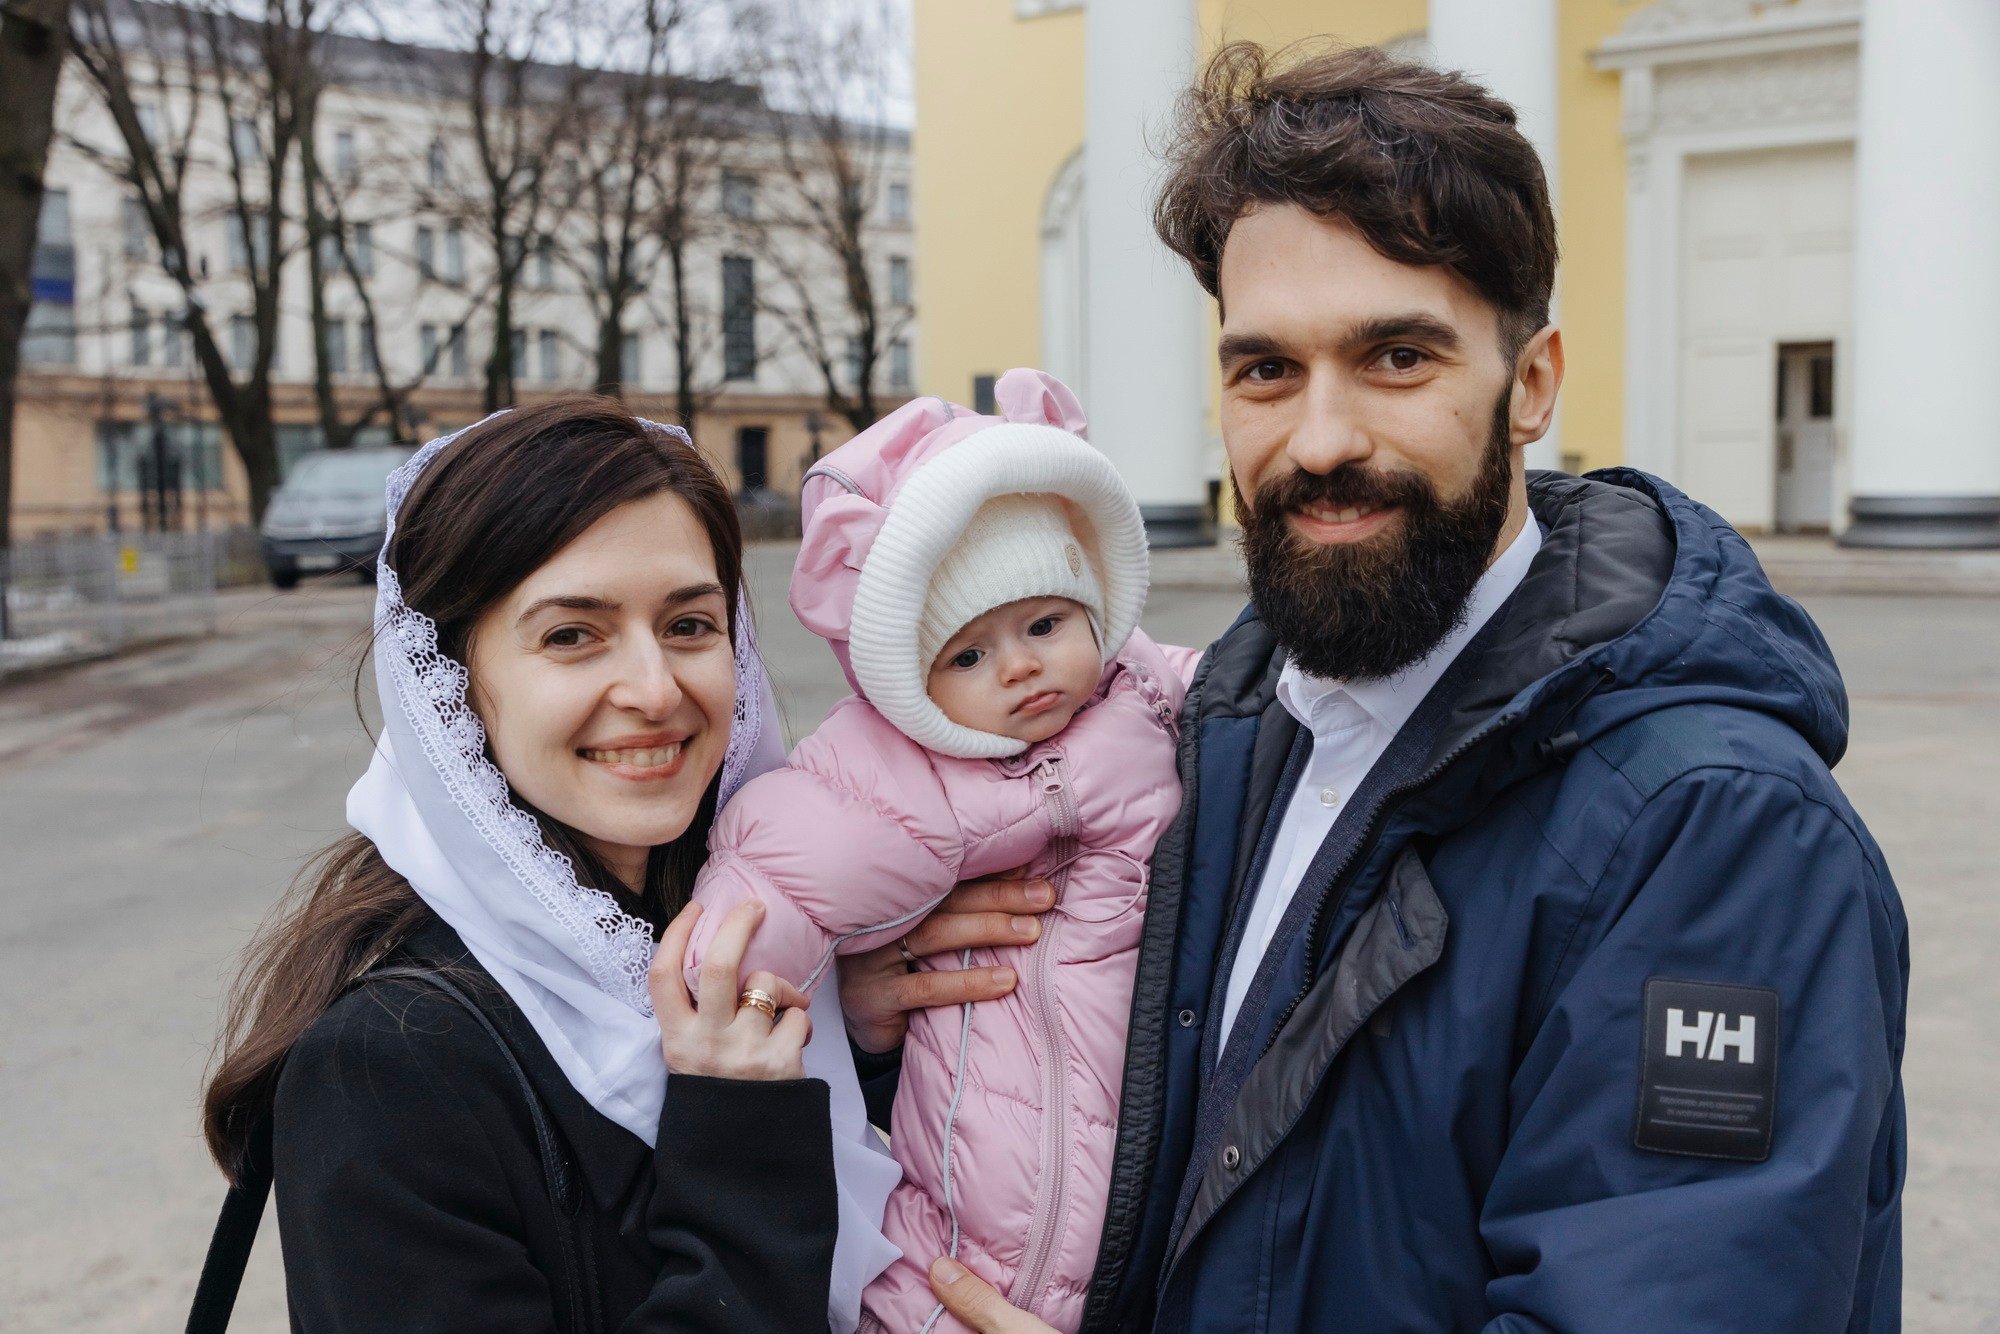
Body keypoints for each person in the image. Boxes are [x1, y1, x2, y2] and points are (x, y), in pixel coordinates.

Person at [896, 43, 1909, 1333]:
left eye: (1393, 358)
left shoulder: (1715, 833)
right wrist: (894, 1016)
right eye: (1263, 368)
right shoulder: (1225, 720)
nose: (1316, 438)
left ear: (1529, 384)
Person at [198, 399, 900, 1333]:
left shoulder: (766, 961)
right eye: (573, 634)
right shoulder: (385, 1072)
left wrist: (875, 1051)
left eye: (690, 624)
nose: (656, 690)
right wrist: (741, 1136)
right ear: (451, 676)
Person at [680, 369, 1199, 1333]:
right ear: (911, 679)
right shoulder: (904, 767)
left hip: (1147, 1196)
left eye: (1045, 623)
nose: (1020, 665)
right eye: (967, 654)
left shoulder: (1155, 693)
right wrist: (732, 973)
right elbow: (796, 857)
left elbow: (1281, 696)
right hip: (965, 1215)